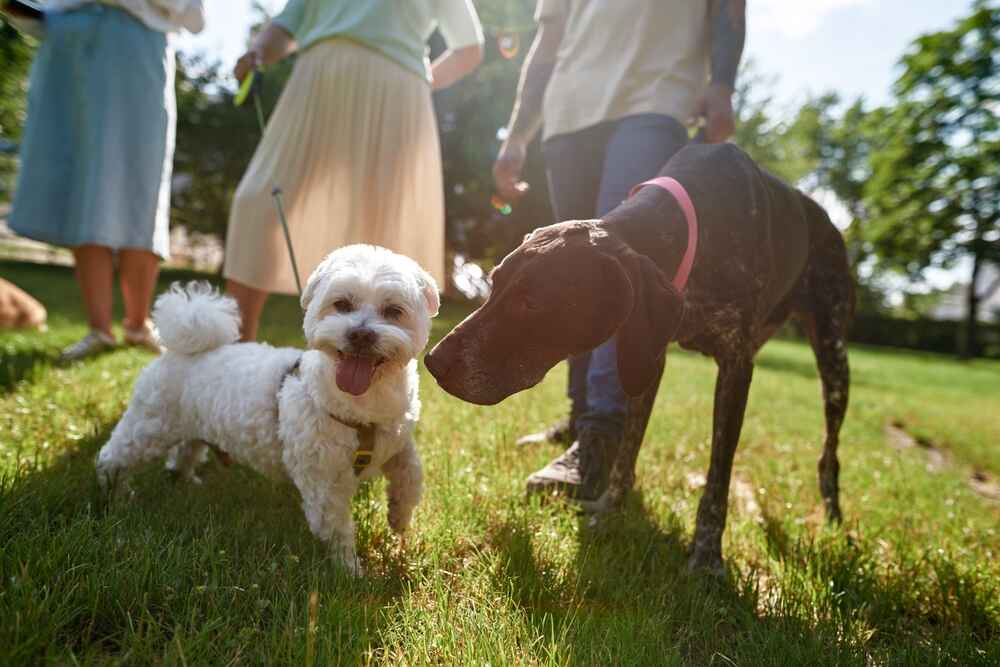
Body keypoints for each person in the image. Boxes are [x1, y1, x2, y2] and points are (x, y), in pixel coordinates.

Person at [493, 0, 746, 499]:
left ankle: (603, 437)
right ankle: (581, 413)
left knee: (616, 259)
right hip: (568, 116)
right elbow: (547, 45)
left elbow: (728, 8)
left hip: (656, 100)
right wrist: (518, 135)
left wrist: (722, 84)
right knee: (572, 270)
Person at [224, 0, 484, 342]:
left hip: (397, 92)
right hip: (316, 81)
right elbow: (288, 24)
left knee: (384, 224)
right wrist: (257, 51)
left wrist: (419, 80)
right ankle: (234, 346)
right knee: (258, 202)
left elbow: (470, 47)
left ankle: (379, 356)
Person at [6, 0, 206, 361]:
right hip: (71, 43)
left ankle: (137, 323)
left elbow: (189, 12)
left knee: (140, 184)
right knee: (85, 184)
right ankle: (99, 329)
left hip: (137, 43)